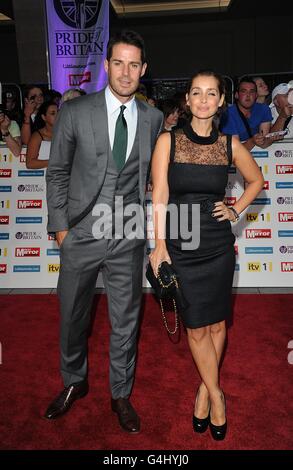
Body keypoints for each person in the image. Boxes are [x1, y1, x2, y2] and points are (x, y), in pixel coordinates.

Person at [45, 30, 163, 433]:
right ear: (106, 66)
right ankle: (73, 382)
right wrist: (61, 230)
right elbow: (57, 172)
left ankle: (120, 394)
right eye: (118, 63)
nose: (126, 72)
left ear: (143, 70)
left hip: (128, 235)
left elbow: (153, 179)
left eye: (134, 64)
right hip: (81, 232)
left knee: (126, 319)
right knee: (72, 317)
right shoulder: (76, 112)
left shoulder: (153, 118)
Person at [150, 70, 264, 440]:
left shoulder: (230, 144)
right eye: (196, 92)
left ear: (220, 102)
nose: (202, 99)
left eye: (210, 93)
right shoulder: (168, 140)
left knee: (217, 324)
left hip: (217, 245)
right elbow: (160, 196)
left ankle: (203, 389)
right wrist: (160, 245)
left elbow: (257, 180)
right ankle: (217, 395)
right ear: (187, 100)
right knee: (196, 326)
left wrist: (235, 209)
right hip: (181, 244)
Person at [220, 76, 281, 151]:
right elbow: (235, 151)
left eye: (252, 91)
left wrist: (271, 139)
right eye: (243, 91)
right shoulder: (228, 114)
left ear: (256, 95)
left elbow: (263, 144)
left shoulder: (264, 109)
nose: (248, 95)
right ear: (236, 95)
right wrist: (252, 141)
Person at [26, 101, 58, 169]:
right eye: (53, 113)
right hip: (42, 176)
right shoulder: (37, 136)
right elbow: (30, 163)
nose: (57, 115)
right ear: (44, 117)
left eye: (59, 112)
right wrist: (53, 162)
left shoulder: (66, 133)